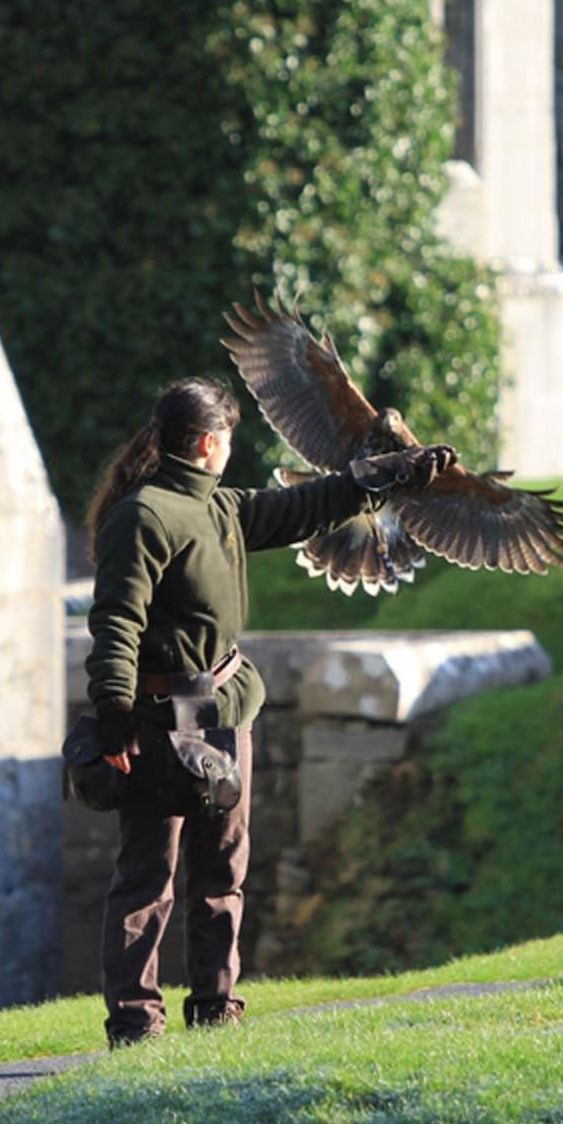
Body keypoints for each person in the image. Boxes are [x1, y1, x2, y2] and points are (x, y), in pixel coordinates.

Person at [83, 375, 455, 1046]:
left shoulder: (219, 507)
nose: (231, 448)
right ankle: (137, 1025)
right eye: (226, 437)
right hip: (158, 719)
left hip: (225, 712)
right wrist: (112, 711)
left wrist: (389, 474)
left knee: (223, 872)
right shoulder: (142, 515)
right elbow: (115, 622)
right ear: (205, 443)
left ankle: (215, 1011)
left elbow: (301, 507)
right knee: (147, 876)